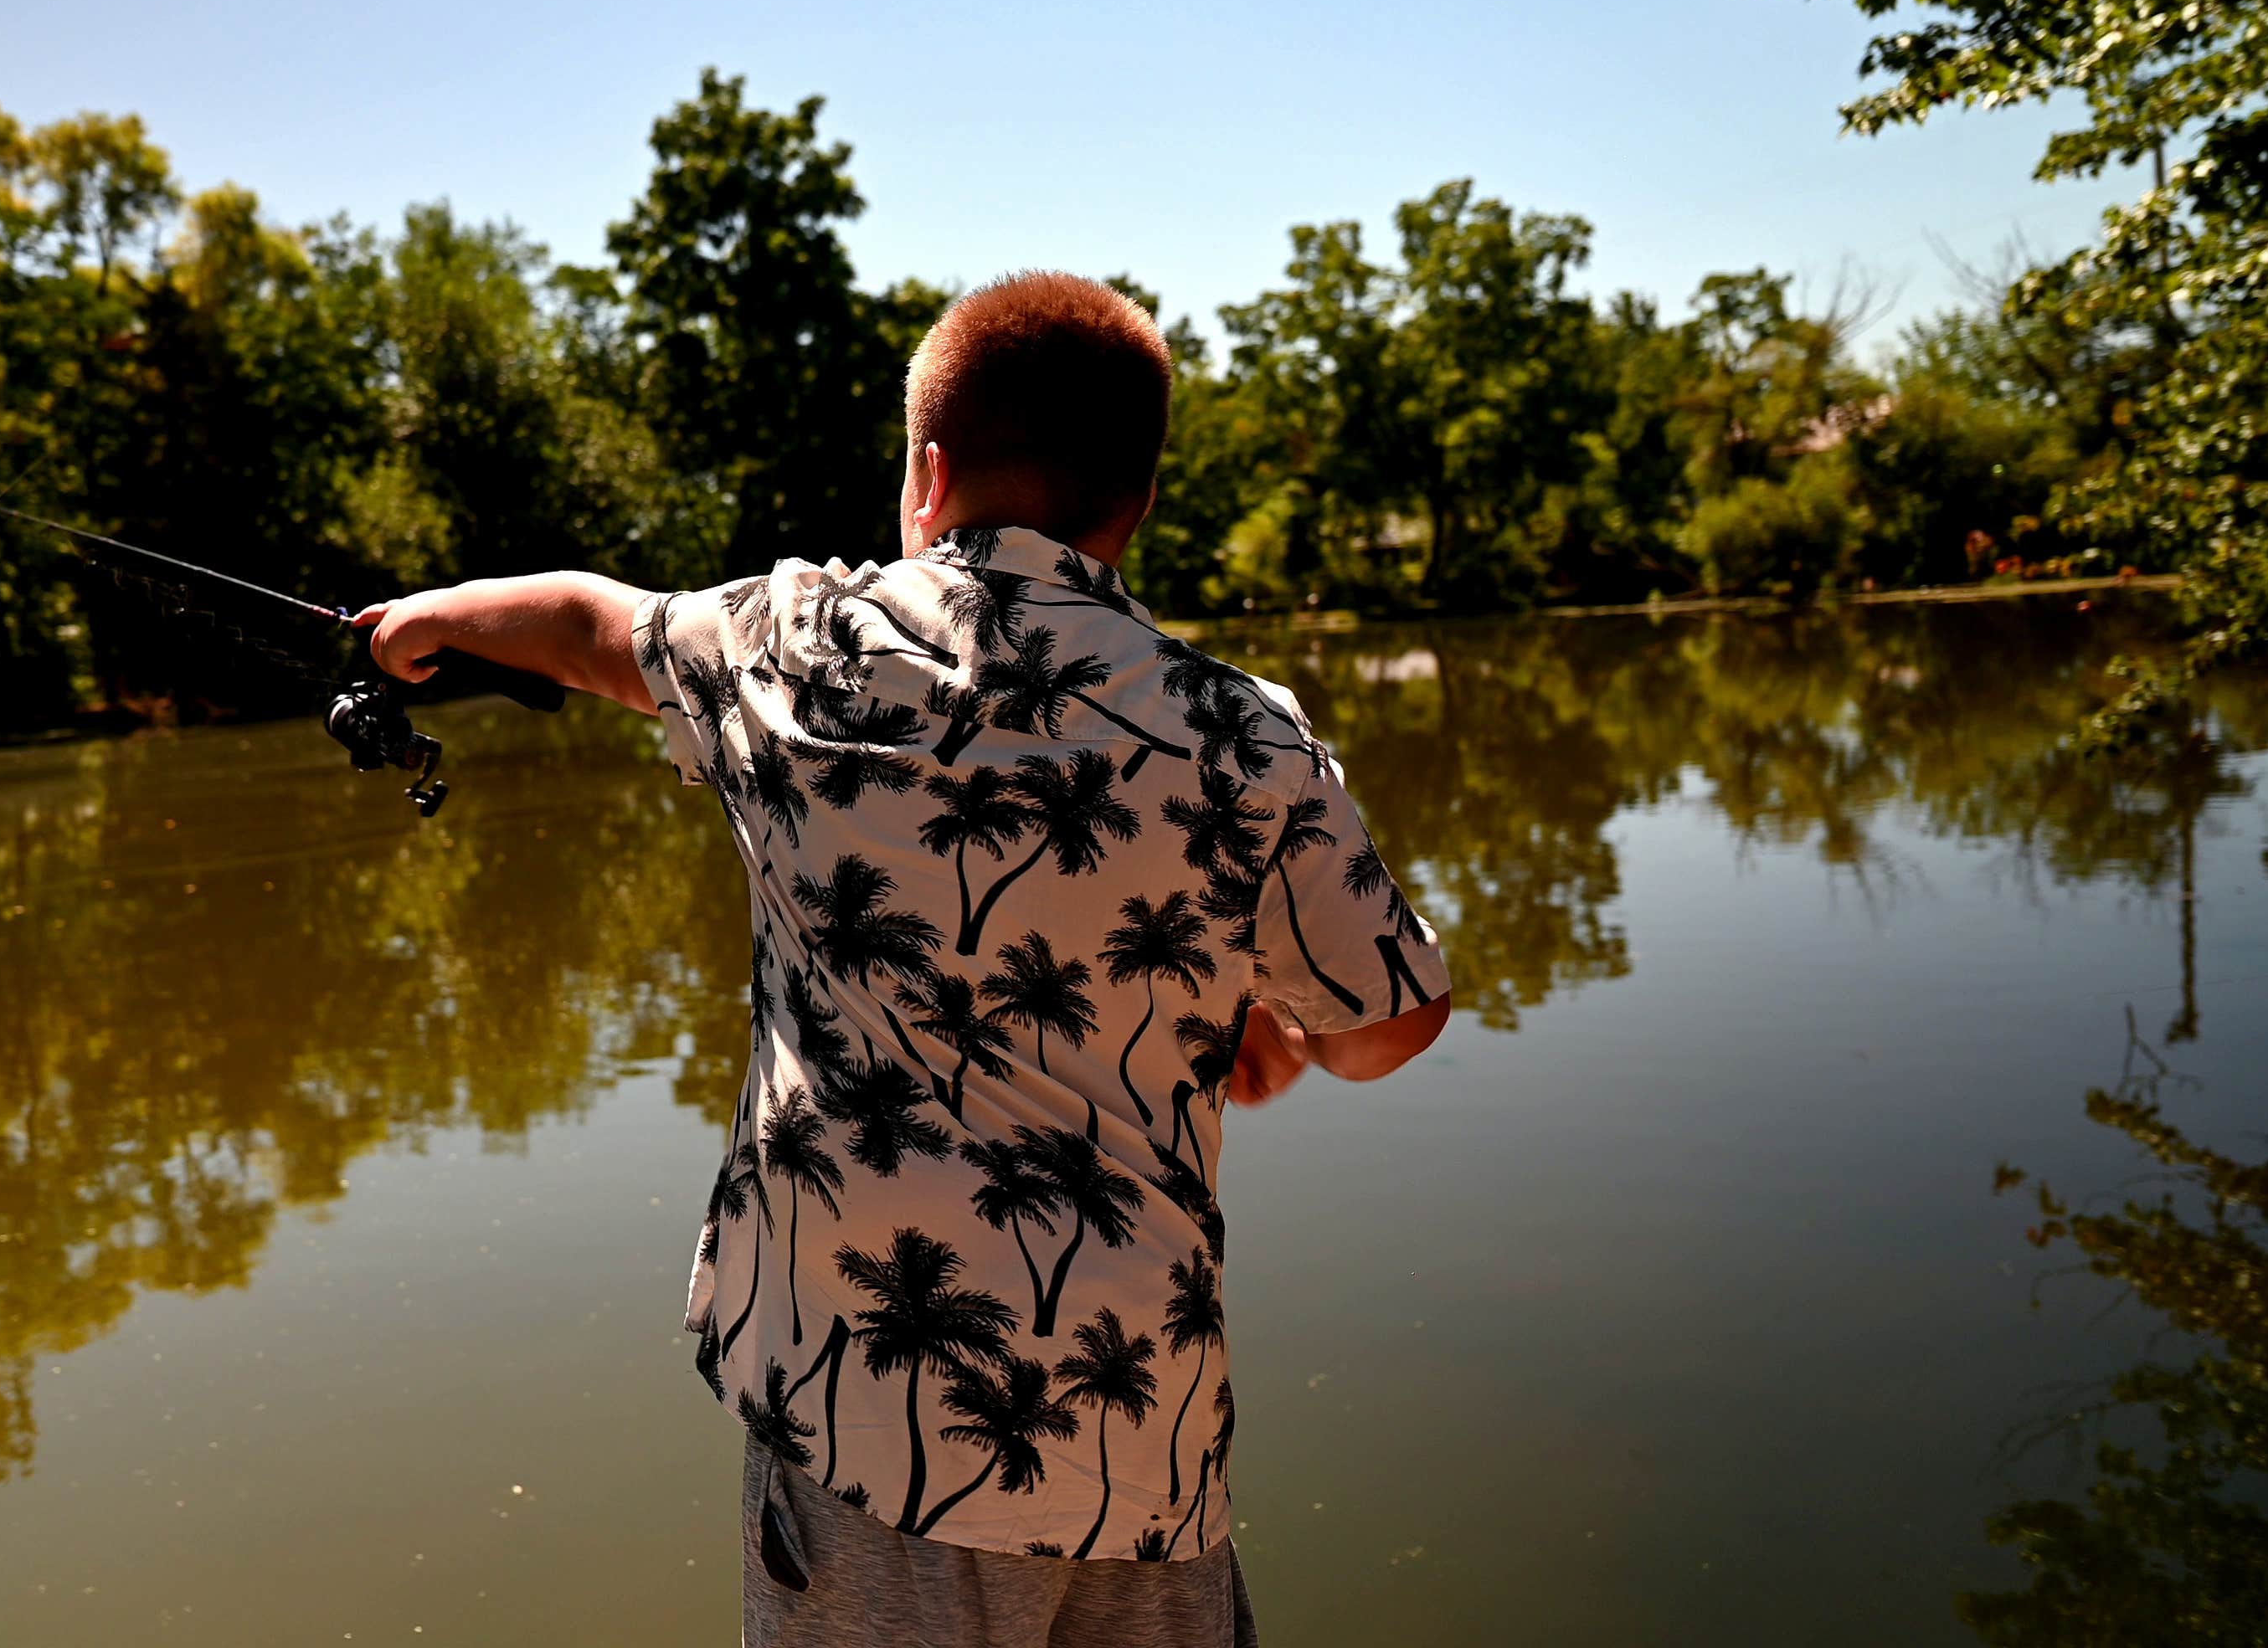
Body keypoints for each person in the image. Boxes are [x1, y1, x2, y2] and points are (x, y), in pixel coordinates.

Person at [353, 271, 1452, 1646]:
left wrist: (435, 617)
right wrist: (1253, 1001)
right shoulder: (1242, 737)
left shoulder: (794, 651)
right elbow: (1387, 1024)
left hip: (868, 1441)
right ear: (1140, 501)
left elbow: (588, 624)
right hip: (1144, 1460)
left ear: (929, 479)